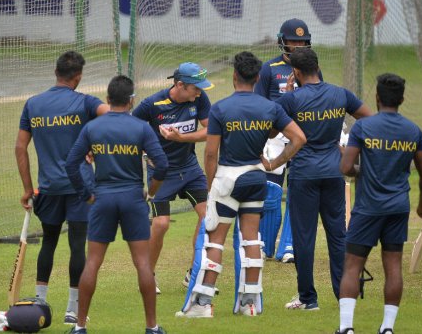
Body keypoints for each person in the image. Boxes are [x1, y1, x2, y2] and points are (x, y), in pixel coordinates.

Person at [177, 51, 306, 318]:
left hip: (227, 177)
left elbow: (210, 153)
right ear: (258, 77)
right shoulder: (271, 108)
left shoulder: (221, 108)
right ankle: (250, 304)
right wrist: (273, 163)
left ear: (234, 76)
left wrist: (211, 185)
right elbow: (299, 138)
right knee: (251, 240)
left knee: (215, 241)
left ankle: (202, 305)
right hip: (256, 177)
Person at [65, 75, 168, 334]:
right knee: (143, 264)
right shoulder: (141, 128)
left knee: (92, 263)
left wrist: (86, 194)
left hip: (102, 198)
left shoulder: (93, 128)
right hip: (133, 198)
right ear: (131, 100)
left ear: (108, 99)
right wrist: (151, 193)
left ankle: (79, 327)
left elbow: (71, 164)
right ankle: (152, 327)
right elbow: (162, 164)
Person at [15, 51, 109, 323]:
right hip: (80, 188)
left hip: (48, 188)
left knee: (49, 242)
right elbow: (112, 116)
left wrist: (27, 188)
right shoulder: (85, 102)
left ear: (56, 73)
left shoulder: (33, 104)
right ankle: (72, 310)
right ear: (77, 77)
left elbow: (20, 147)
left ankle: (40, 302)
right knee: (78, 246)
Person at [276, 47, 372, 311]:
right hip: (333, 172)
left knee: (304, 238)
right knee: (338, 234)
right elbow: (370, 119)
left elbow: (273, 130)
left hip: (304, 174)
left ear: (295, 72)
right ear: (317, 67)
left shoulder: (291, 100)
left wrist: (287, 96)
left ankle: (308, 298)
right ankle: (344, 295)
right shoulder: (340, 94)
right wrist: (351, 148)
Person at [337, 73, 422, 334]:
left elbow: (346, 167)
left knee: (352, 265)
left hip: (367, 208)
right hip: (398, 207)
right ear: (402, 99)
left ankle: (346, 327)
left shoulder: (363, 128)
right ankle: (387, 328)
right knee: (393, 266)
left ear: (377, 98)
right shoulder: (413, 130)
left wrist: (361, 169)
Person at [132, 62, 212, 293]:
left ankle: (193, 272)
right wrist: (146, 151)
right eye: (195, 88)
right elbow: (129, 129)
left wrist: (181, 139)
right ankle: (148, 276)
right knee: (161, 224)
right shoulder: (151, 104)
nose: (199, 91)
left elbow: (210, 130)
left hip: (189, 168)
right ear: (179, 85)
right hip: (162, 173)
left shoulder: (199, 99)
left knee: (208, 218)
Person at [255, 18, 323, 263]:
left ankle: (289, 246)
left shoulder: (312, 68)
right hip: (274, 136)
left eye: (303, 41)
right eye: (293, 41)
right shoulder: (269, 68)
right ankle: (263, 245)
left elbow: (318, 98)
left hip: (301, 136)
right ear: (282, 41)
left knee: (298, 191)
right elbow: (259, 104)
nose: (298, 46)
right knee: (270, 192)